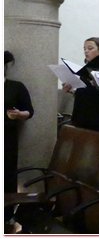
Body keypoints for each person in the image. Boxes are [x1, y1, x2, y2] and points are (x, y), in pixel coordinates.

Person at [4, 51, 34, 193]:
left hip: (6, 135)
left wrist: (19, 114)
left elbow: (29, 111)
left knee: (7, 171)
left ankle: (7, 211)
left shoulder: (16, 87)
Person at [65, 37, 99, 130]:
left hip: (95, 116)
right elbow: (85, 91)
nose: (86, 51)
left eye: (90, 48)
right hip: (81, 112)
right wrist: (72, 90)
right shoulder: (86, 69)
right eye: (84, 49)